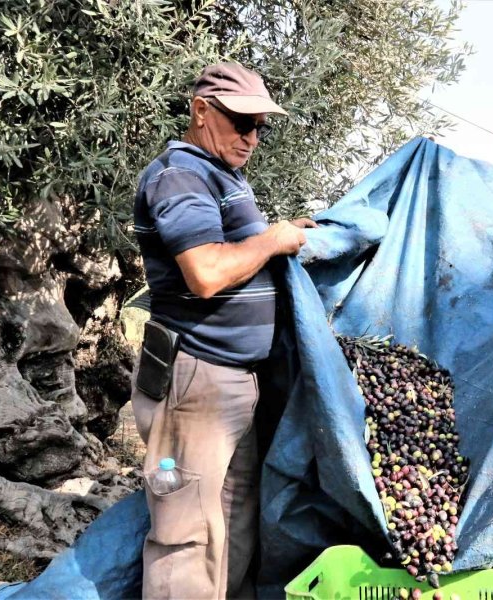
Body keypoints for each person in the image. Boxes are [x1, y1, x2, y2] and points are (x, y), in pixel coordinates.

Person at [131, 62, 314, 599]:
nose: (252, 137)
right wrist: (273, 240)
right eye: (241, 122)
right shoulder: (180, 174)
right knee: (184, 534)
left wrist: (285, 231)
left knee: (231, 521)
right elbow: (207, 272)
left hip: (233, 381)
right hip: (196, 382)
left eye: (261, 125)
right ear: (201, 110)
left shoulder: (222, 175)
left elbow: (237, 249)